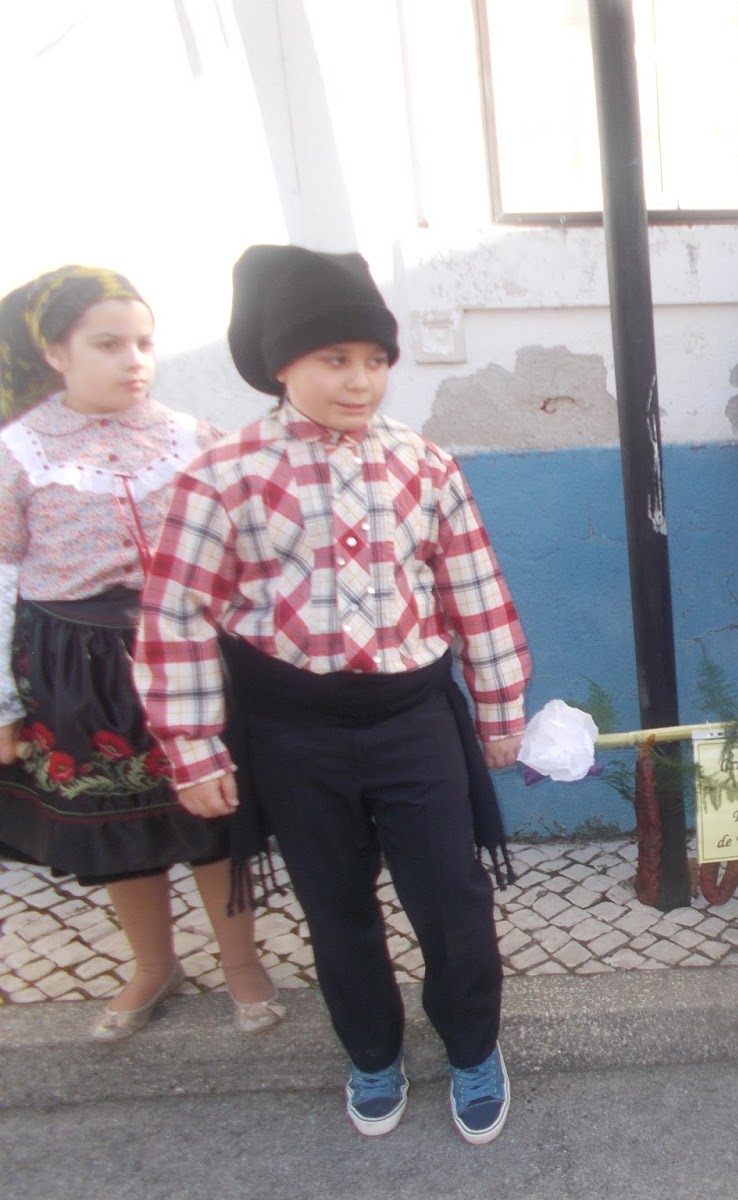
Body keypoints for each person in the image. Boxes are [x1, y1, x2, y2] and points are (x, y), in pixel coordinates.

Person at [133, 246, 531, 1144]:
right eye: (335, 359)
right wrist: (192, 748)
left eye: (376, 360)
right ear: (283, 364)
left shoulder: (424, 465)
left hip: (412, 722)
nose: (360, 381)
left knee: (453, 898)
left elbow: (474, 590)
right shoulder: (222, 474)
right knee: (337, 905)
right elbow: (176, 614)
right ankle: (372, 1052)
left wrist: (499, 707)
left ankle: (472, 1045)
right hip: (293, 733)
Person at [0, 266, 282, 1041]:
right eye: (108, 344)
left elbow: (245, 556)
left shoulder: (193, 440)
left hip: (187, 654)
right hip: (73, 664)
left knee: (212, 813)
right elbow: (1, 577)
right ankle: (154, 966)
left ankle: (241, 961)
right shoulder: (17, 453)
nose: (134, 361)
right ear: (55, 354)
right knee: (116, 823)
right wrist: (4, 705)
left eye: (145, 343)